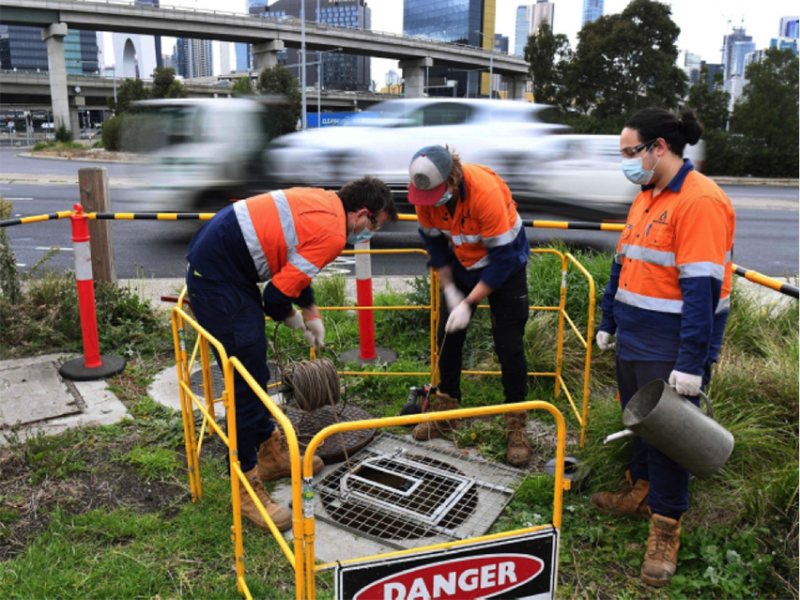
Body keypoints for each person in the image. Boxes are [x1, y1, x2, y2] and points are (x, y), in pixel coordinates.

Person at [185, 177, 397, 532]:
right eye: (374, 225)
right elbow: (275, 298)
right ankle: (245, 485)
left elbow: (297, 264)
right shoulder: (333, 232)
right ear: (362, 214)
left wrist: (311, 313)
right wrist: (293, 317)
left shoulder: (326, 202)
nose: (369, 233)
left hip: (222, 262)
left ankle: (269, 451)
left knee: (255, 369)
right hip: (218, 278)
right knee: (248, 383)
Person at [592, 108, 736, 587]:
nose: (626, 163)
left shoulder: (699, 202)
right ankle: (642, 491)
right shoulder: (647, 196)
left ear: (659, 148)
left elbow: (701, 292)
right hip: (636, 333)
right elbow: (623, 263)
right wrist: (610, 319)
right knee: (638, 420)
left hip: (673, 340)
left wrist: (692, 363)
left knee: (671, 434)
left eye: (631, 152)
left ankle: (666, 529)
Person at [408, 145, 532, 466]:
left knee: (509, 345)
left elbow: (502, 261)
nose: (429, 202)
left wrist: (470, 302)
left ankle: (515, 421)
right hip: (462, 266)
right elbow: (436, 246)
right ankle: (448, 411)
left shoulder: (485, 193)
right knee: (447, 338)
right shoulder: (424, 196)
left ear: (452, 181)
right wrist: (451, 291)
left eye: (437, 193)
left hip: (505, 265)